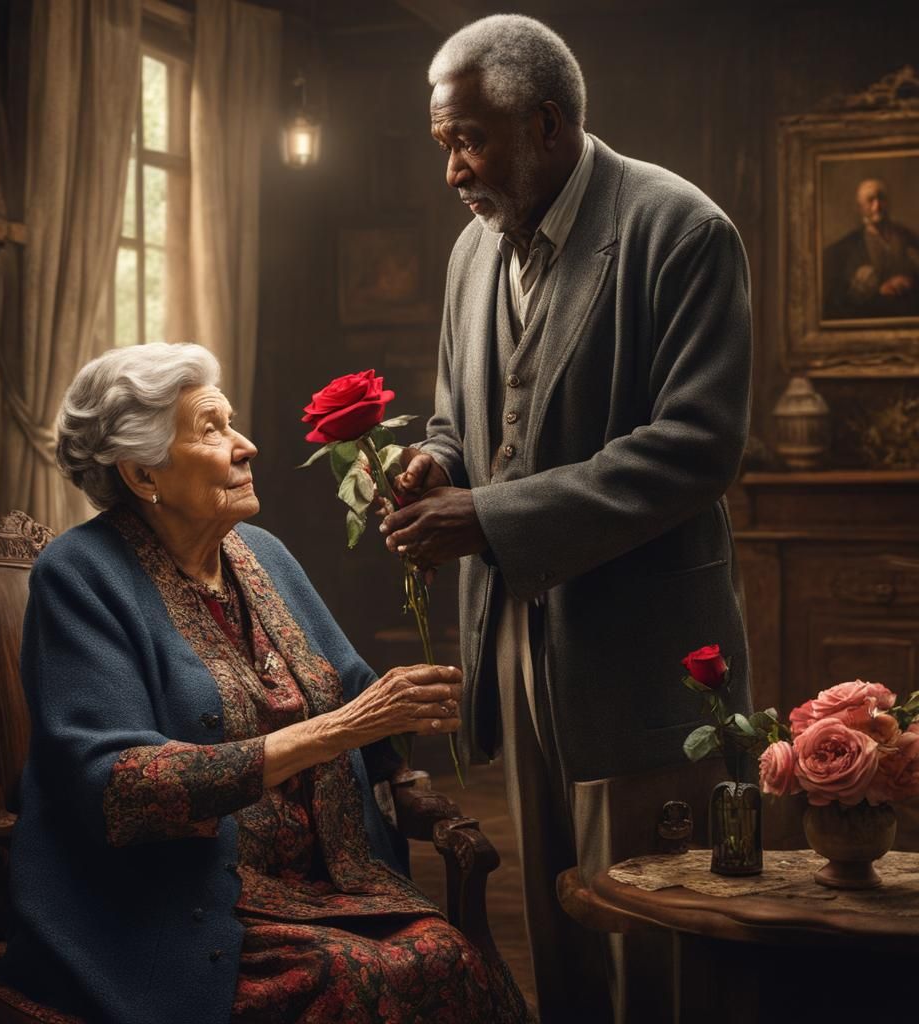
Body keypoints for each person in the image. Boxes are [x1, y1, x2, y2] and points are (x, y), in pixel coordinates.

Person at [379, 15, 752, 1024]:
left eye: (469, 140)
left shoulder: (682, 232)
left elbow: (694, 449)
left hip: (647, 650)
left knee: (660, 936)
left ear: (544, 124)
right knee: (563, 928)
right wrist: (433, 459)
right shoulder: (470, 252)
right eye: (442, 143)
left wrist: (487, 514)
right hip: (513, 635)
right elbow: (462, 413)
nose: (454, 170)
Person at [0, 342, 531, 1024]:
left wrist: (407, 730)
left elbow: (354, 688)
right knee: (357, 975)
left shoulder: (262, 553)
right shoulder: (79, 575)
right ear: (141, 474)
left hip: (320, 885)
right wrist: (339, 729)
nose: (245, 445)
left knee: (444, 956)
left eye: (232, 423)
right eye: (211, 429)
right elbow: (120, 784)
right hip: (169, 907)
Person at [822, 177, 919, 320]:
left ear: (888, 202)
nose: (877, 206)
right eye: (870, 200)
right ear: (859, 207)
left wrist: (912, 282)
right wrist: (878, 292)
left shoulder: (910, 238)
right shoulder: (842, 250)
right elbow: (834, 306)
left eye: (881, 198)